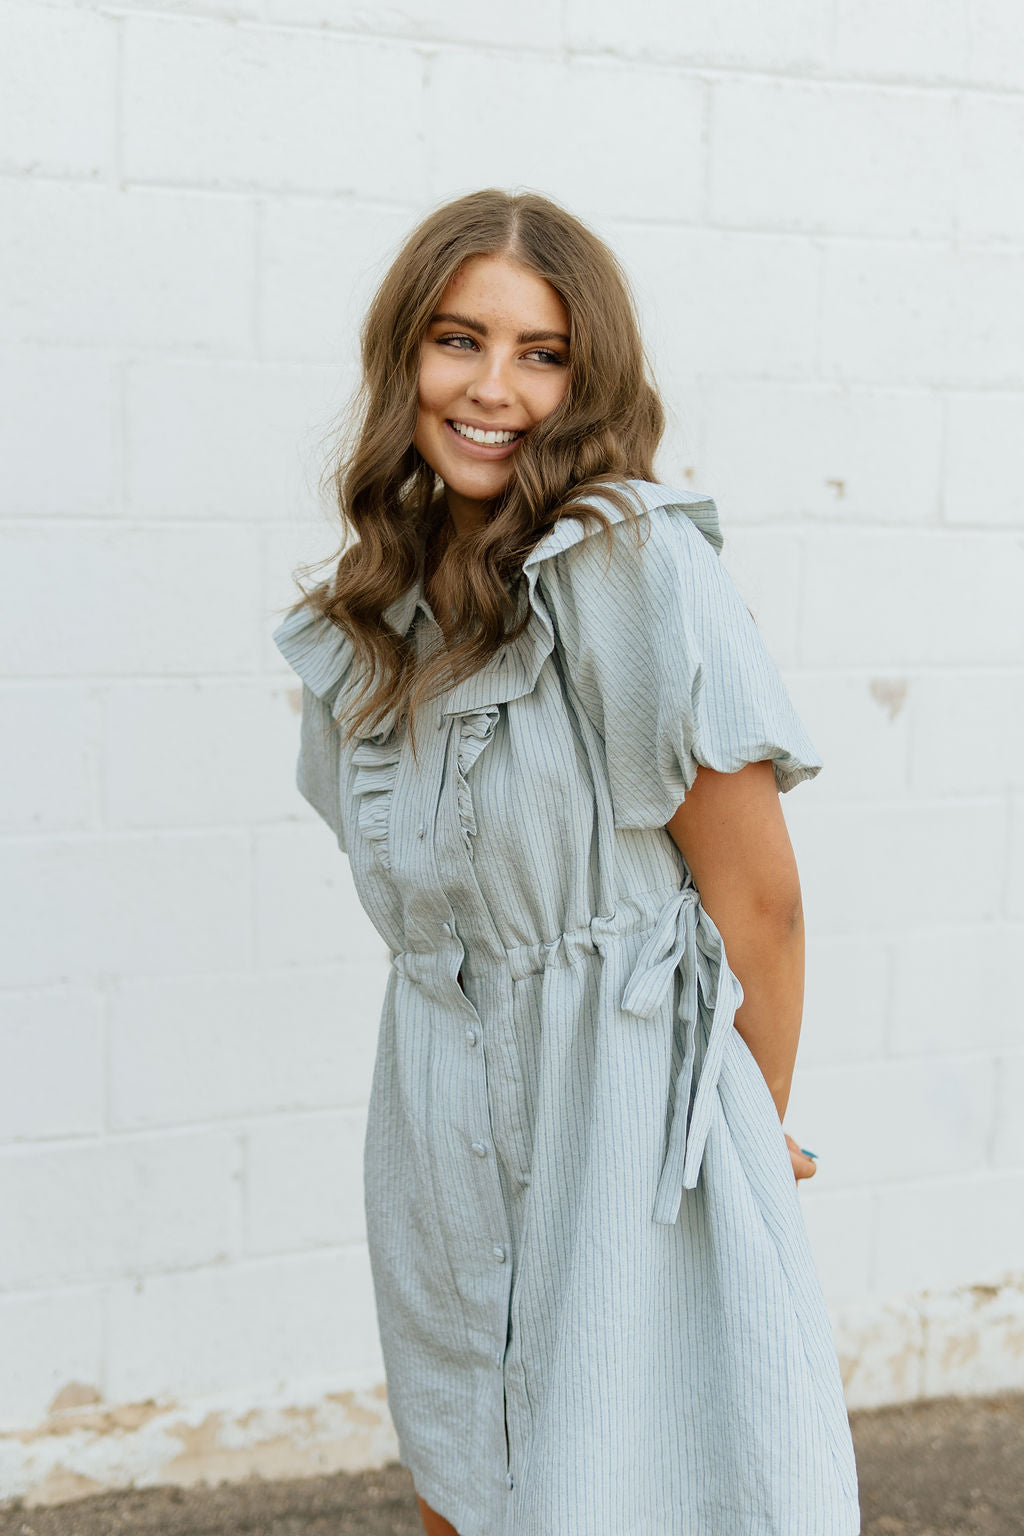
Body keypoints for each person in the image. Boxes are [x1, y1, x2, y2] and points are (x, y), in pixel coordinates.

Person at [272, 188, 861, 1536]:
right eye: (456, 340)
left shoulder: (625, 561)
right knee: (467, 1479)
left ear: (587, 380)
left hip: (629, 1114)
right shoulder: (372, 615)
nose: (493, 389)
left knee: (640, 1490)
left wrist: (750, 1126)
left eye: (541, 354)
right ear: (403, 360)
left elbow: (758, 897)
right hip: (436, 1116)